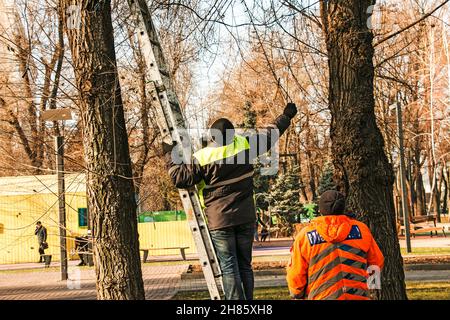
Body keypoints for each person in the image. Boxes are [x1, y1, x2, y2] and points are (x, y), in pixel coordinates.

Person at [163, 103, 297, 300]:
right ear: (232, 135)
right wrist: (286, 116)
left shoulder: (203, 157)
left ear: (212, 137)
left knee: (228, 267)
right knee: (245, 265)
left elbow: (180, 178)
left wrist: (169, 152)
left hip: (220, 220)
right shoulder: (245, 145)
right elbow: (270, 136)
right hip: (246, 218)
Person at [286, 190, 385, 300]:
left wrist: (297, 293)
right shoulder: (361, 230)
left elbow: (296, 272)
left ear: (320, 210)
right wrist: (369, 286)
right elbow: (377, 262)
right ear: (343, 208)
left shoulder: (305, 236)